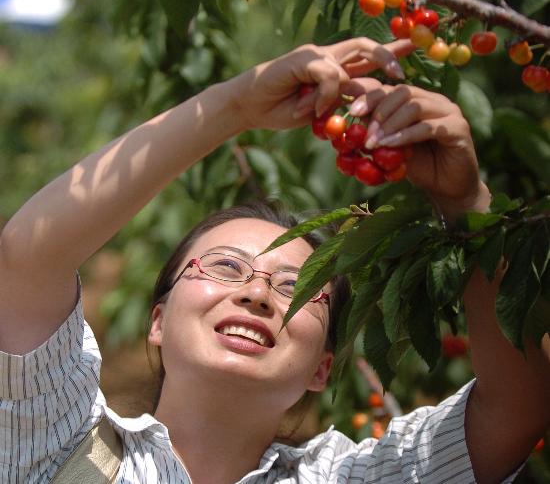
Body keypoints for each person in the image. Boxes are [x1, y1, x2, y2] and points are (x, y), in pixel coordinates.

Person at [0, 36, 548, 484]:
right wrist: (234, 106)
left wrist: (464, 202)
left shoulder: (351, 479)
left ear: (322, 369)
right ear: (158, 321)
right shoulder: (59, 442)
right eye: (225, 267)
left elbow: (518, 408)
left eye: (297, 288)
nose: (257, 292)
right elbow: (28, 256)